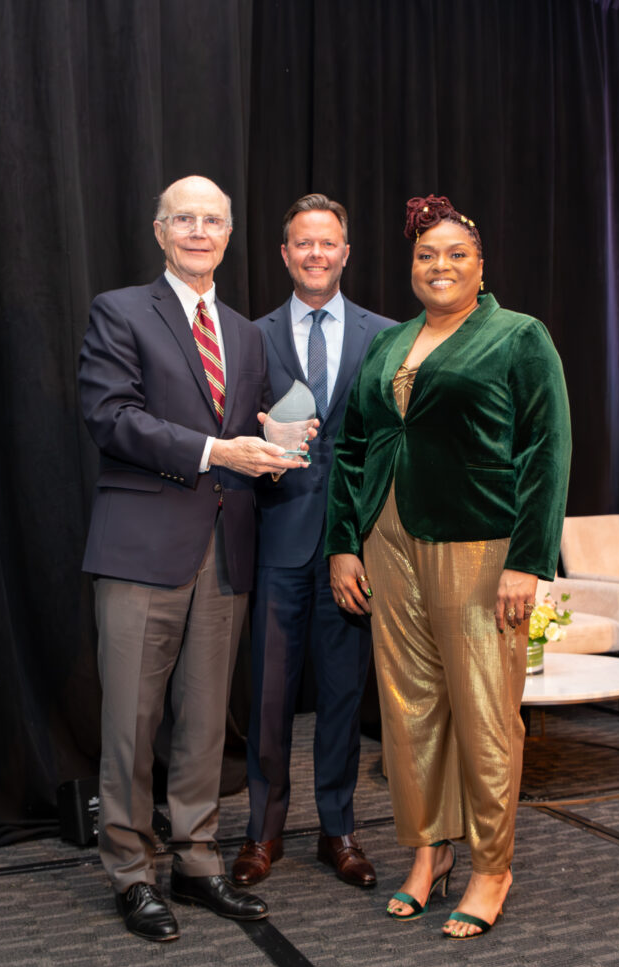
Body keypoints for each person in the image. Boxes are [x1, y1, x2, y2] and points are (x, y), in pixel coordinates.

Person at [325, 194, 571, 938]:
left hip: (479, 547)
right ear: (410, 267)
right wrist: (344, 541)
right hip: (387, 543)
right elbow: (352, 446)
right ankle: (428, 854)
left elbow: (545, 451)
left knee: (485, 712)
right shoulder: (388, 341)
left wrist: (527, 560)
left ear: (480, 265)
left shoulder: (517, 336)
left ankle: (491, 866)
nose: (439, 266)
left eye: (454, 254)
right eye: (425, 255)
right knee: (407, 710)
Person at [79, 175, 311, 942]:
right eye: (185, 219)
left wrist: (278, 445)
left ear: (230, 231)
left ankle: (197, 860)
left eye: (213, 220)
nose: (199, 232)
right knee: (130, 723)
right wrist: (219, 450)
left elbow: (250, 425)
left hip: (224, 550)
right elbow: (111, 418)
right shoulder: (119, 311)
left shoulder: (244, 333)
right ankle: (130, 870)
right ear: (158, 230)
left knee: (207, 721)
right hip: (142, 549)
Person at [231, 194, 395, 888]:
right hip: (275, 543)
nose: (316, 254)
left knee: (339, 696)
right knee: (267, 699)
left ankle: (339, 829)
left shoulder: (385, 335)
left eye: (328, 243)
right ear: (284, 253)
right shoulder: (249, 336)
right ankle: (261, 832)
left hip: (351, 551)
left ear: (346, 252)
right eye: (303, 243)